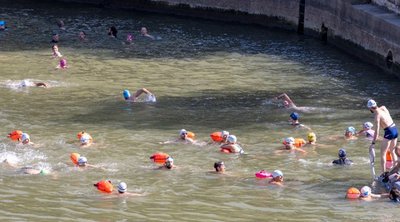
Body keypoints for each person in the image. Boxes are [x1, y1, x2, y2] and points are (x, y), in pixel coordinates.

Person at [368, 99, 398, 175]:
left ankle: (384, 173)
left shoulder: (377, 116)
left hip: (389, 131)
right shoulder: (383, 108)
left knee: (383, 154)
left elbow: (377, 133)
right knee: (393, 151)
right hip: (394, 128)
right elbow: (388, 116)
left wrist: (373, 143)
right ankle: (396, 170)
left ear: (370, 108)